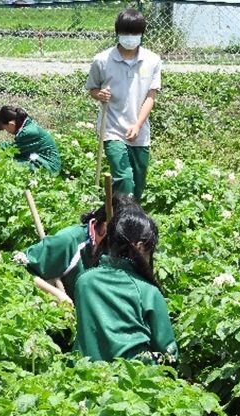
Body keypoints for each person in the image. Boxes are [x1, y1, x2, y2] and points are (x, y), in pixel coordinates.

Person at [73, 207, 178, 363]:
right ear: (141, 246)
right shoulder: (147, 291)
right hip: (134, 378)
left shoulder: (84, 281)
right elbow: (168, 353)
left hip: (87, 375)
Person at [85, 8, 161, 201]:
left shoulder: (152, 60)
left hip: (139, 130)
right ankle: (121, 216)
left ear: (142, 34)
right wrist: (99, 95)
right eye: (125, 33)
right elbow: (93, 88)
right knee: (124, 177)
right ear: (117, 33)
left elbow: (151, 96)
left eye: (134, 33)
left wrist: (137, 125)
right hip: (112, 128)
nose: (129, 37)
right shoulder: (102, 60)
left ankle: (133, 215)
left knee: (139, 179)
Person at [24, 193, 137, 301]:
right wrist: (57, 294)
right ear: (105, 226)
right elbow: (21, 268)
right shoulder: (68, 241)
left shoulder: (113, 250)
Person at [0, 106, 61, 173]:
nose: (7, 132)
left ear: (11, 124)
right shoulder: (27, 124)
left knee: (6, 165)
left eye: (5, 128)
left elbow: (10, 151)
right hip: (40, 159)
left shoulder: (28, 132)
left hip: (48, 167)